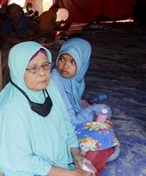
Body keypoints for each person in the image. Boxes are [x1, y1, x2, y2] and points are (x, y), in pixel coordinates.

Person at [0, 42, 93, 176]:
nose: (42, 73)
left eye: (45, 65)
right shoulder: (11, 108)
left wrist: (76, 154)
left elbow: (65, 123)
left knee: (98, 138)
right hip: (17, 164)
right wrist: (71, 175)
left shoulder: (51, 87)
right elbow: (19, 160)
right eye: (33, 68)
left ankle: (70, 174)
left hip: (51, 154)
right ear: (18, 70)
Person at [51, 38, 120, 166]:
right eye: (62, 59)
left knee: (103, 128)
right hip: (58, 130)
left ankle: (97, 153)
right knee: (103, 131)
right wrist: (92, 111)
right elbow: (70, 121)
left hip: (68, 122)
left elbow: (73, 105)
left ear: (83, 63)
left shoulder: (76, 80)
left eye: (72, 61)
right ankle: (85, 158)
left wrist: (89, 110)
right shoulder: (55, 79)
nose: (65, 65)